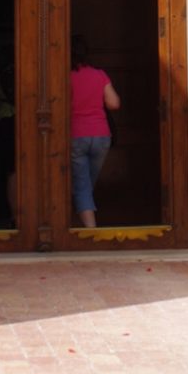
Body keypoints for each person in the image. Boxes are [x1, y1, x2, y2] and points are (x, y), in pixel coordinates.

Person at [68, 34, 120, 231]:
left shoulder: (66, 76)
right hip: (101, 135)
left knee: (81, 185)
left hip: (76, 134)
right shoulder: (99, 75)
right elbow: (114, 103)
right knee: (86, 183)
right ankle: (76, 223)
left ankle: (90, 231)